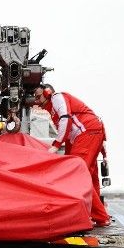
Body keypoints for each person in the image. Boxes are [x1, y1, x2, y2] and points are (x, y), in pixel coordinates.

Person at [33, 84, 111, 227]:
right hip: (89, 133)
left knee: (76, 174)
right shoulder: (53, 110)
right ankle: (97, 216)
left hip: (87, 132)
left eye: (38, 97)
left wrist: (56, 146)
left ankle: (99, 215)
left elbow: (66, 119)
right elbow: (70, 133)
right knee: (89, 176)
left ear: (47, 92)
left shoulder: (57, 98)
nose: (36, 101)